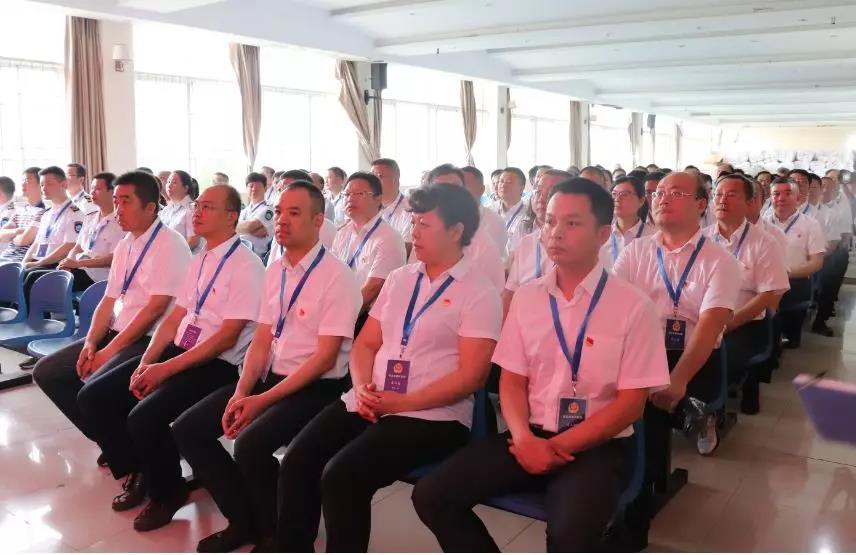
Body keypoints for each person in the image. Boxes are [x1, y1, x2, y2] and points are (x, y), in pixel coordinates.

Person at [412, 177, 670, 552]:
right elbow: (511, 381)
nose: (556, 232)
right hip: (529, 434)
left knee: (568, 534)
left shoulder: (633, 306)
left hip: (598, 445)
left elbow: (630, 405)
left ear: (602, 234)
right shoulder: (528, 297)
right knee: (432, 495)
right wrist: (524, 439)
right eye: (550, 221)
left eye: (572, 223)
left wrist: (555, 447)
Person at [275, 182, 501, 552]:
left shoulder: (478, 291)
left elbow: (472, 376)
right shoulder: (401, 279)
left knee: (343, 475)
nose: (415, 233)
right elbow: (365, 344)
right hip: (372, 399)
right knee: (298, 459)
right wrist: (363, 387)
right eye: (413, 223)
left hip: (432, 415)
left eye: (425, 225)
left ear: (456, 231)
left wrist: (400, 403)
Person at [172, 180, 361, 552]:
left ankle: (286, 536)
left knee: (251, 444)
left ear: (318, 220)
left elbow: (324, 358)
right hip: (268, 378)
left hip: (315, 386)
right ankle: (246, 520)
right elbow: (261, 339)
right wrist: (242, 391)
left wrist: (260, 401)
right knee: (189, 429)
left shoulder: (337, 277)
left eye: (294, 213)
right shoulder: (275, 270)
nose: (282, 220)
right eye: (278, 212)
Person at [75, 185, 263, 532]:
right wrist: (147, 361)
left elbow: (227, 337)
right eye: (198, 205)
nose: (197, 212)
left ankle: (168, 492)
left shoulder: (246, 265)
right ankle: (141, 470)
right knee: (99, 395)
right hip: (181, 351)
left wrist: (165, 369)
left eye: (208, 207)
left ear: (231, 217)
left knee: (145, 416)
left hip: (217, 364)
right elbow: (175, 317)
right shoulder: (200, 258)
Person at [32, 171, 191, 512]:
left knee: (95, 393)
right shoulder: (125, 244)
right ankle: (119, 444)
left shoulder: (170, 245)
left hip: (152, 341)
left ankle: (138, 467)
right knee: (49, 373)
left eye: (126, 201)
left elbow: (155, 309)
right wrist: (92, 343)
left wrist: (109, 352)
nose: (118, 209)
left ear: (151, 207)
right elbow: (108, 299)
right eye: (116, 201)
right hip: (117, 333)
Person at [614, 171, 739, 548]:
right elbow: (614, 310)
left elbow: (710, 325)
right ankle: (618, 488)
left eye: (676, 193)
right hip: (642, 350)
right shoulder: (635, 252)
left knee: (644, 416)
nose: (662, 198)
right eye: (658, 193)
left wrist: (679, 377)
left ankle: (635, 516)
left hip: (692, 356)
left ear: (701, 204)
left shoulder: (720, 260)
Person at [704, 174, 789, 415]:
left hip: (746, 323)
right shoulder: (701, 238)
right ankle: (700, 407)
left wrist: (727, 324)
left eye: (731, 195)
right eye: (718, 194)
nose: (722, 200)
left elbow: (767, 296)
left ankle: (717, 409)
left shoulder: (765, 242)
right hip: (705, 317)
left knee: (721, 357)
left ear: (749, 202)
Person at [331, 171, 406, 319]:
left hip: (366, 316)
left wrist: (341, 316)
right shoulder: (342, 233)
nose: (350, 199)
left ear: (378, 199)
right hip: (338, 307)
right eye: (347, 194)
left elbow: (373, 288)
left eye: (359, 194)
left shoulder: (389, 238)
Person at [420, 164, 505, 291]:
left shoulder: (483, 246)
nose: (448, 197)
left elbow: (493, 295)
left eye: (455, 190)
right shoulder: (421, 236)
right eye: (438, 191)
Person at [763, 178, 825, 349]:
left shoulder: (811, 225)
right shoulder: (761, 223)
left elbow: (817, 262)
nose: (781, 198)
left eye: (787, 193)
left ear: (798, 198)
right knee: (769, 329)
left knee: (792, 332)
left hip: (796, 284)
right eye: (776, 194)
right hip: (767, 286)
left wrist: (786, 274)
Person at [503, 169, 573, 316]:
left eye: (551, 192)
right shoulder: (527, 243)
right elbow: (510, 293)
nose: (541, 198)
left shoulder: (583, 243)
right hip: (526, 319)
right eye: (538, 191)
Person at [20, 166, 85, 306]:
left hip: (57, 265)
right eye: (42, 184)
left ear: (64, 184)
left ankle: (28, 316)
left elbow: (69, 246)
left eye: (49, 184)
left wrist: (39, 263)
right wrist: (24, 261)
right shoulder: (47, 214)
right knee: (16, 272)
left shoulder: (75, 213)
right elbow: (37, 243)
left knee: (29, 276)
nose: (44, 188)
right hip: (39, 262)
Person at [56, 172, 124, 290]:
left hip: (98, 276)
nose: (92, 192)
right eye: (92, 188)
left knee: (53, 284)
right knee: (36, 276)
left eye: (97, 189)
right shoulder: (90, 217)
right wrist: (68, 262)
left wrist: (78, 264)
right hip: (79, 268)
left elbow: (112, 258)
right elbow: (78, 247)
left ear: (112, 192)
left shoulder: (121, 223)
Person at [266, 170, 336, 266]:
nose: (283, 194)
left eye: (289, 188)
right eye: (280, 190)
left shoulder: (326, 229)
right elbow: (271, 265)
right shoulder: (281, 225)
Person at [812, 176, 852, 336]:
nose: (825, 190)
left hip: (831, 255)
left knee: (827, 290)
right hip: (810, 255)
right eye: (822, 186)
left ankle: (820, 321)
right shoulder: (808, 208)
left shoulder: (837, 209)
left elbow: (842, 236)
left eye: (830, 187)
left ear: (836, 190)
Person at [600, 175, 654, 269]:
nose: (617, 199)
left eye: (624, 194)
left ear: (641, 201)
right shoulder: (601, 235)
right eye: (614, 194)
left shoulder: (652, 236)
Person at [0, 167, 46, 263]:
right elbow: (1, 235)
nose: (22, 184)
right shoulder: (19, 211)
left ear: (40, 185)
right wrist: (17, 231)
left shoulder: (43, 212)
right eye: (22, 180)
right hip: (5, 257)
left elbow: (24, 240)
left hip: (18, 261)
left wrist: (11, 236)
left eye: (27, 180)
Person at [462, 165, 507, 256]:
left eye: (466, 188)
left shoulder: (495, 222)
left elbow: (491, 257)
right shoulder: (448, 218)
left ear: (481, 189)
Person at [372, 158, 412, 249]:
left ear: (395, 180)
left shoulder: (409, 210)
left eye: (379, 176)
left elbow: (407, 249)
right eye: (372, 177)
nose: (373, 182)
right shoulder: (369, 208)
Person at [237, 172, 275, 258]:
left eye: (258, 187)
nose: (254, 189)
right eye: (251, 186)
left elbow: (250, 226)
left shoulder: (269, 209)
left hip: (257, 255)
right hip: (239, 251)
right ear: (246, 189)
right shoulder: (244, 211)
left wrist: (246, 228)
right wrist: (248, 228)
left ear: (265, 188)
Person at [163, 170, 201, 251]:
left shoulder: (192, 209)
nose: (169, 185)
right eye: (168, 182)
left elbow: (193, 240)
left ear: (185, 188)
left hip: (182, 255)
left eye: (174, 183)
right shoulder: (166, 210)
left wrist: (174, 254)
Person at [496, 167, 528, 254]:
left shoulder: (529, 214)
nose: (503, 185)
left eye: (509, 182)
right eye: (501, 181)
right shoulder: (489, 210)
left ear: (521, 188)